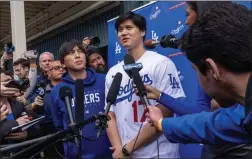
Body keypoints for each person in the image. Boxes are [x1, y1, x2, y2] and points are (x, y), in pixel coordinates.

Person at [145, 3, 252, 144]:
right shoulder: (242, 116)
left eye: (187, 14)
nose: (186, 22)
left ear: (212, 69)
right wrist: (161, 122)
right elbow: (217, 123)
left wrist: (161, 122)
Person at [105, 11, 185, 158]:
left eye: (129, 28)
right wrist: (118, 149)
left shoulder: (160, 63)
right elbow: (110, 114)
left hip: (159, 153)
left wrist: (128, 148)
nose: (123, 33)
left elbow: (166, 110)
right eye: (120, 30)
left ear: (142, 31)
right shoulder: (113, 72)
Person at [50, 39, 111, 158]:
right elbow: (59, 125)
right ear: (63, 63)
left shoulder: (104, 80)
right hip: (76, 154)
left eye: (80, 51)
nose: (77, 56)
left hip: (109, 152)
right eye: (71, 53)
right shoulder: (57, 91)